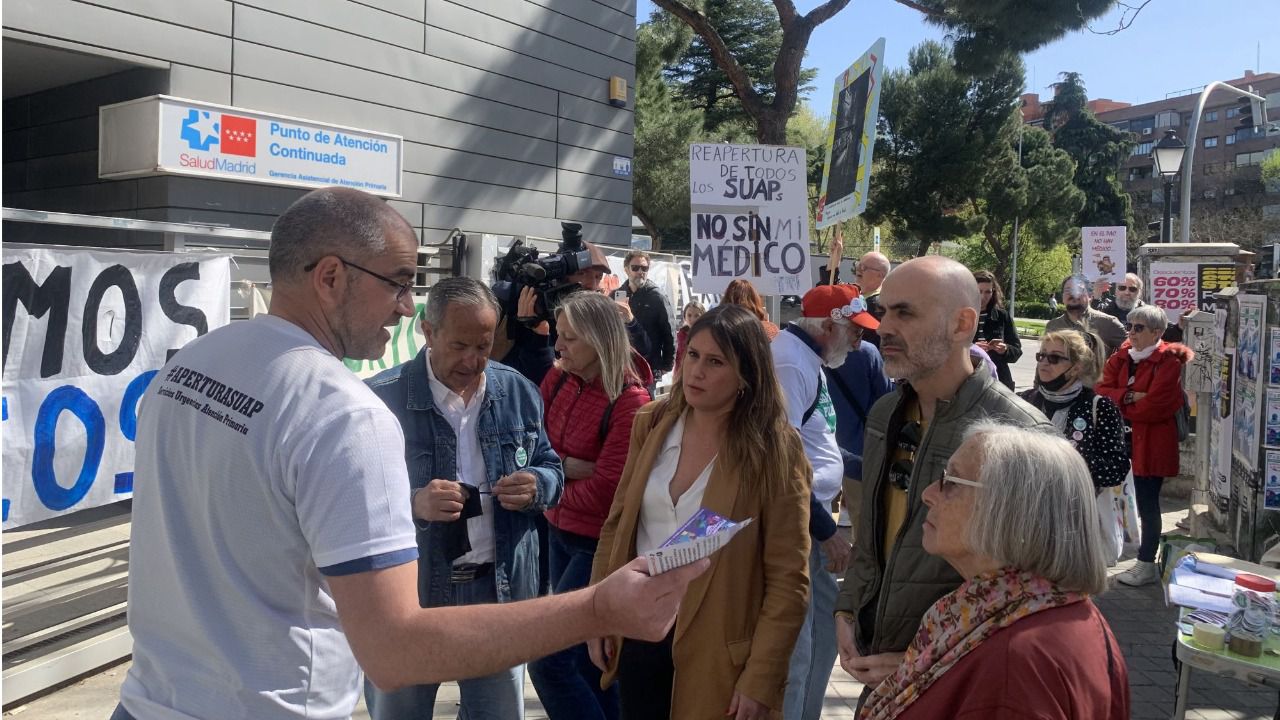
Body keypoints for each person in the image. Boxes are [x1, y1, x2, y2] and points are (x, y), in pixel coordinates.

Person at [112, 187, 706, 720]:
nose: (405, 306)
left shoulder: (188, 367)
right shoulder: (346, 412)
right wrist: (599, 608)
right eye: (398, 282)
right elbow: (396, 650)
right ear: (330, 277)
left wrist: (541, 484)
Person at [833, 256, 1052, 706]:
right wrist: (847, 607)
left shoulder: (1021, 436)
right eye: (884, 309)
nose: (882, 326)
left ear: (962, 324)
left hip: (968, 687)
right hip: (884, 678)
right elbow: (872, 538)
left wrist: (935, 655)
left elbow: (1043, 592)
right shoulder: (885, 415)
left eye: (904, 312)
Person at [587, 304, 812, 719]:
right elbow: (617, 524)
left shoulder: (776, 450)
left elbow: (789, 580)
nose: (697, 372)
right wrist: (599, 611)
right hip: (638, 632)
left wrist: (761, 677)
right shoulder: (651, 423)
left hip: (718, 656)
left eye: (715, 362)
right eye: (692, 355)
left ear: (746, 374)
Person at [362, 277, 564, 719]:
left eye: (484, 346)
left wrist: (537, 485)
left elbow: (552, 467)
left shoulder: (517, 391)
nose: (473, 361)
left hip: (498, 591)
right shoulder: (379, 400)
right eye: (459, 345)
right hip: (410, 598)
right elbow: (352, 503)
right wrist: (414, 504)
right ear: (427, 331)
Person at [857, 422, 1128, 719]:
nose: (928, 493)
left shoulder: (1016, 664)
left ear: (1010, 511)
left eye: (952, 481)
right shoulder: (1030, 612)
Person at [529, 291, 653, 720]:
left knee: (549, 660)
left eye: (569, 338)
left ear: (600, 340)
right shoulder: (559, 378)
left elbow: (606, 490)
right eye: (558, 335)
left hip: (596, 546)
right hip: (557, 533)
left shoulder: (631, 402)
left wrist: (548, 482)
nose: (557, 346)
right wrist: (566, 467)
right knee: (587, 662)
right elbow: (532, 449)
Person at [774, 284, 878, 720]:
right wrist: (826, 530)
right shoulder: (790, 362)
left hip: (809, 521)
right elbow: (783, 461)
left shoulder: (807, 359)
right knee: (800, 650)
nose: (859, 342)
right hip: (798, 525)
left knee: (818, 639)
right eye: (853, 331)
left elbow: (817, 447)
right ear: (829, 326)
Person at [1096, 304, 1193, 586]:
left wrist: (1123, 401)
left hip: (1151, 444)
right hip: (1122, 441)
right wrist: (1130, 397)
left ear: (1157, 332)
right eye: (1130, 326)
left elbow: (1157, 406)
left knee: (1149, 503)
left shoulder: (1169, 361)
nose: (1132, 333)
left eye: (1139, 328)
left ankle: (1146, 562)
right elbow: (1102, 391)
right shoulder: (1122, 355)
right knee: (1116, 497)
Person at [500, 235, 649, 386]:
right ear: (559, 274)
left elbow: (642, 355)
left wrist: (630, 322)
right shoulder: (535, 312)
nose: (592, 284)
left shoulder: (598, 312)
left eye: (598, 277)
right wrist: (538, 337)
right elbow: (539, 384)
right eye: (582, 274)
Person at [1019, 331, 1129, 492]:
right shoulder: (1023, 400)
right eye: (1041, 356)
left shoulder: (1100, 408)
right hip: (1024, 501)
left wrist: (1065, 460)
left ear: (1076, 368)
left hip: (1074, 508)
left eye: (1054, 358)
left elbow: (1116, 469)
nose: (1044, 362)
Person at [613, 250, 675, 388]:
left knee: (645, 407)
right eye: (635, 268)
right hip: (622, 366)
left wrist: (666, 365)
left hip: (649, 366)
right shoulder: (617, 294)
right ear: (626, 270)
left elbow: (669, 332)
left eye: (644, 268)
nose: (640, 271)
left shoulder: (657, 296)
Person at [1045, 275, 1127, 358]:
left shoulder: (1108, 323)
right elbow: (1044, 362)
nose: (1073, 294)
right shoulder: (1053, 326)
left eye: (1079, 290)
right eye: (1068, 290)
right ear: (1062, 297)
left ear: (1090, 296)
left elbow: (1133, 352)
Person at [972, 270, 1023, 390]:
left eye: (988, 292)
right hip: (969, 380)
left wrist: (1005, 349)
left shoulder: (1002, 316)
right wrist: (973, 348)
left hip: (999, 381)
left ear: (993, 292)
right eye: (979, 291)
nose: (983, 297)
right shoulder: (961, 314)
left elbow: (1016, 351)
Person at [856, 251, 891, 347]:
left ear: (880, 275)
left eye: (864, 267)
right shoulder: (858, 293)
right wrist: (835, 258)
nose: (858, 269)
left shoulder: (876, 306)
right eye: (858, 264)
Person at [673, 300, 705, 376]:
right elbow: (677, 358)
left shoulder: (707, 336)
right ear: (684, 317)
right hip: (681, 375)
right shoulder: (679, 336)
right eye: (689, 315)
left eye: (697, 315)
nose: (693, 319)